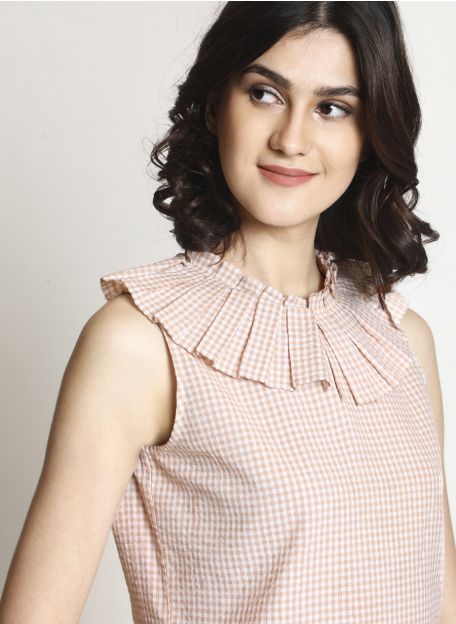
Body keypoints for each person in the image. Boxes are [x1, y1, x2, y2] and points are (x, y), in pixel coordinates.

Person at [1, 2, 455, 622]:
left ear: (370, 134)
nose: (291, 139)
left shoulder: (400, 339)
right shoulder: (140, 343)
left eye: (332, 108)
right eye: (265, 93)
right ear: (216, 105)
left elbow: (440, 596)